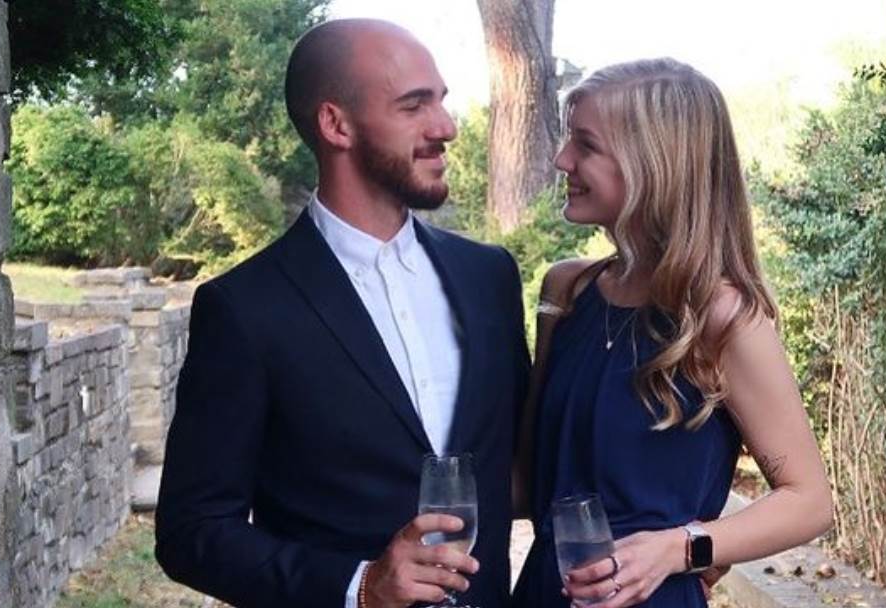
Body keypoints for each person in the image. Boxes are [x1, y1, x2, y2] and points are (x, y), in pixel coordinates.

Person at [154, 19, 529, 608]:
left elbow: (529, 466)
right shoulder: (243, 307)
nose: (446, 127)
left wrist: (675, 546)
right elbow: (191, 532)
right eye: (414, 106)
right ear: (336, 125)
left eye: (441, 100)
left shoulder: (490, 277)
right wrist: (359, 586)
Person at [510, 58, 834, 608]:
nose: (562, 159)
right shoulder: (566, 291)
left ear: (653, 164)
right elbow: (529, 479)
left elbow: (809, 502)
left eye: (585, 144)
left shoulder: (722, 314)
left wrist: (680, 548)